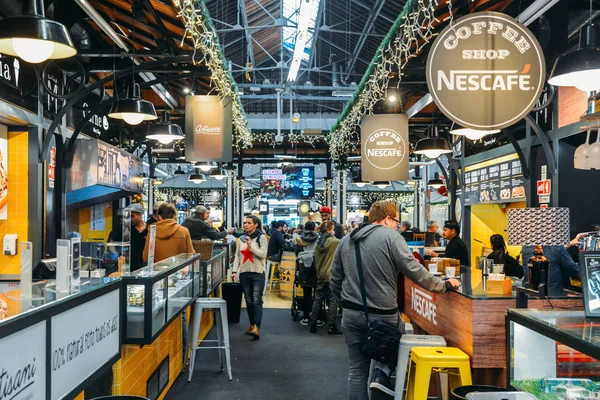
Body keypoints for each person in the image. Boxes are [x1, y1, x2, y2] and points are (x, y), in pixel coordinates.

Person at [330, 201, 459, 399]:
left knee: (356, 371)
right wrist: (443, 285)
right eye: (396, 221)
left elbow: (335, 277)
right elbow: (414, 270)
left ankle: (377, 379)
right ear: (387, 218)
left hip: (351, 315)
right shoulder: (391, 237)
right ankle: (380, 377)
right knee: (385, 360)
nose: (398, 226)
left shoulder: (346, 240)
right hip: (383, 316)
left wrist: (343, 304)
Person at [231, 215, 268, 339]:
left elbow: (263, 254)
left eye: (249, 223)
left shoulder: (261, 238)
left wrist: (251, 247)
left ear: (256, 225)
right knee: (248, 300)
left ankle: (257, 327)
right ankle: (252, 324)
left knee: (257, 299)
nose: (246, 225)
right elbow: (237, 256)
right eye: (245, 222)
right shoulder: (241, 239)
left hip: (257, 272)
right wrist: (234, 271)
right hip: (244, 273)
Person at [310, 221, 341, 334]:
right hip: (332, 275)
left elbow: (314, 258)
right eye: (332, 229)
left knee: (317, 300)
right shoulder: (336, 242)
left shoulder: (318, 243)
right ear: (329, 229)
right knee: (332, 301)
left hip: (321, 275)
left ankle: (313, 325)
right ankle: (332, 326)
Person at [295, 220, 320, 325]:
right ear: (314, 227)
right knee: (318, 292)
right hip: (316, 266)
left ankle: (306, 317)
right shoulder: (318, 237)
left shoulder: (300, 238)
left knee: (307, 292)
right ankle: (317, 317)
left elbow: (297, 251)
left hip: (304, 267)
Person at [127, 203, 148, 272]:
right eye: (129, 216)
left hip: (146, 268)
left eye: (132, 216)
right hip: (129, 268)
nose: (130, 219)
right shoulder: (126, 229)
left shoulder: (150, 229)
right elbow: (111, 240)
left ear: (140, 214)